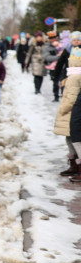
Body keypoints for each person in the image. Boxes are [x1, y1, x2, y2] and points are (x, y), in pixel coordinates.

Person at [55, 48, 81, 177]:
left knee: (73, 139)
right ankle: (74, 164)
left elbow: (72, 97)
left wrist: (62, 110)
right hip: (73, 112)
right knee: (72, 138)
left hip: (71, 113)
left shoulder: (75, 77)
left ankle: (76, 166)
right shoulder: (74, 76)